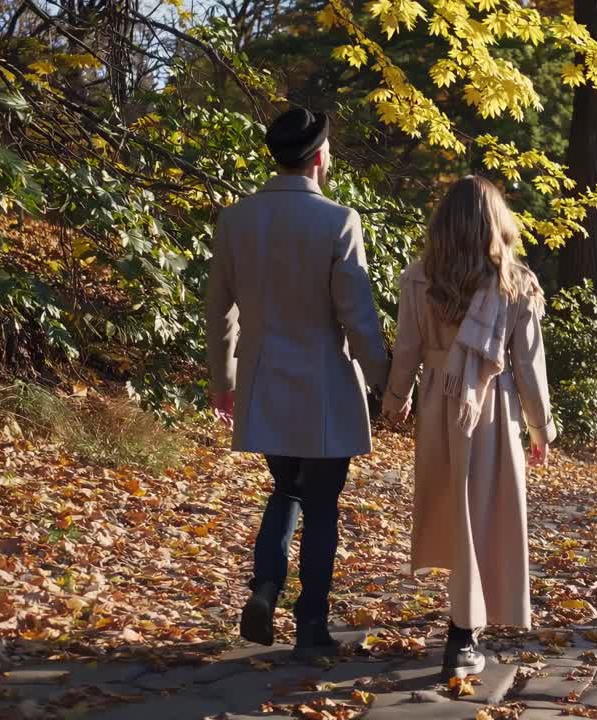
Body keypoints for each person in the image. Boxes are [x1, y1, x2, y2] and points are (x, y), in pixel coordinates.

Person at [207, 107, 390, 660]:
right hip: (326, 387)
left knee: (285, 488)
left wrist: (224, 380)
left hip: (265, 383)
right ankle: (310, 624)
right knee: (323, 503)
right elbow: (356, 316)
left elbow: (220, 312)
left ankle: (265, 585)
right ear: (318, 156)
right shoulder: (339, 221)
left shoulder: (235, 219)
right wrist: (385, 383)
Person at [383, 176, 556, 680]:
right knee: (481, 514)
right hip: (492, 410)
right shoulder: (516, 283)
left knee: (453, 511)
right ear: (496, 224)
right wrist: (541, 427)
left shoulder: (419, 277)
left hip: (440, 405)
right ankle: (463, 637)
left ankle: (463, 629)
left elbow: (408, 351)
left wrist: (396, 401)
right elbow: (527, 365)